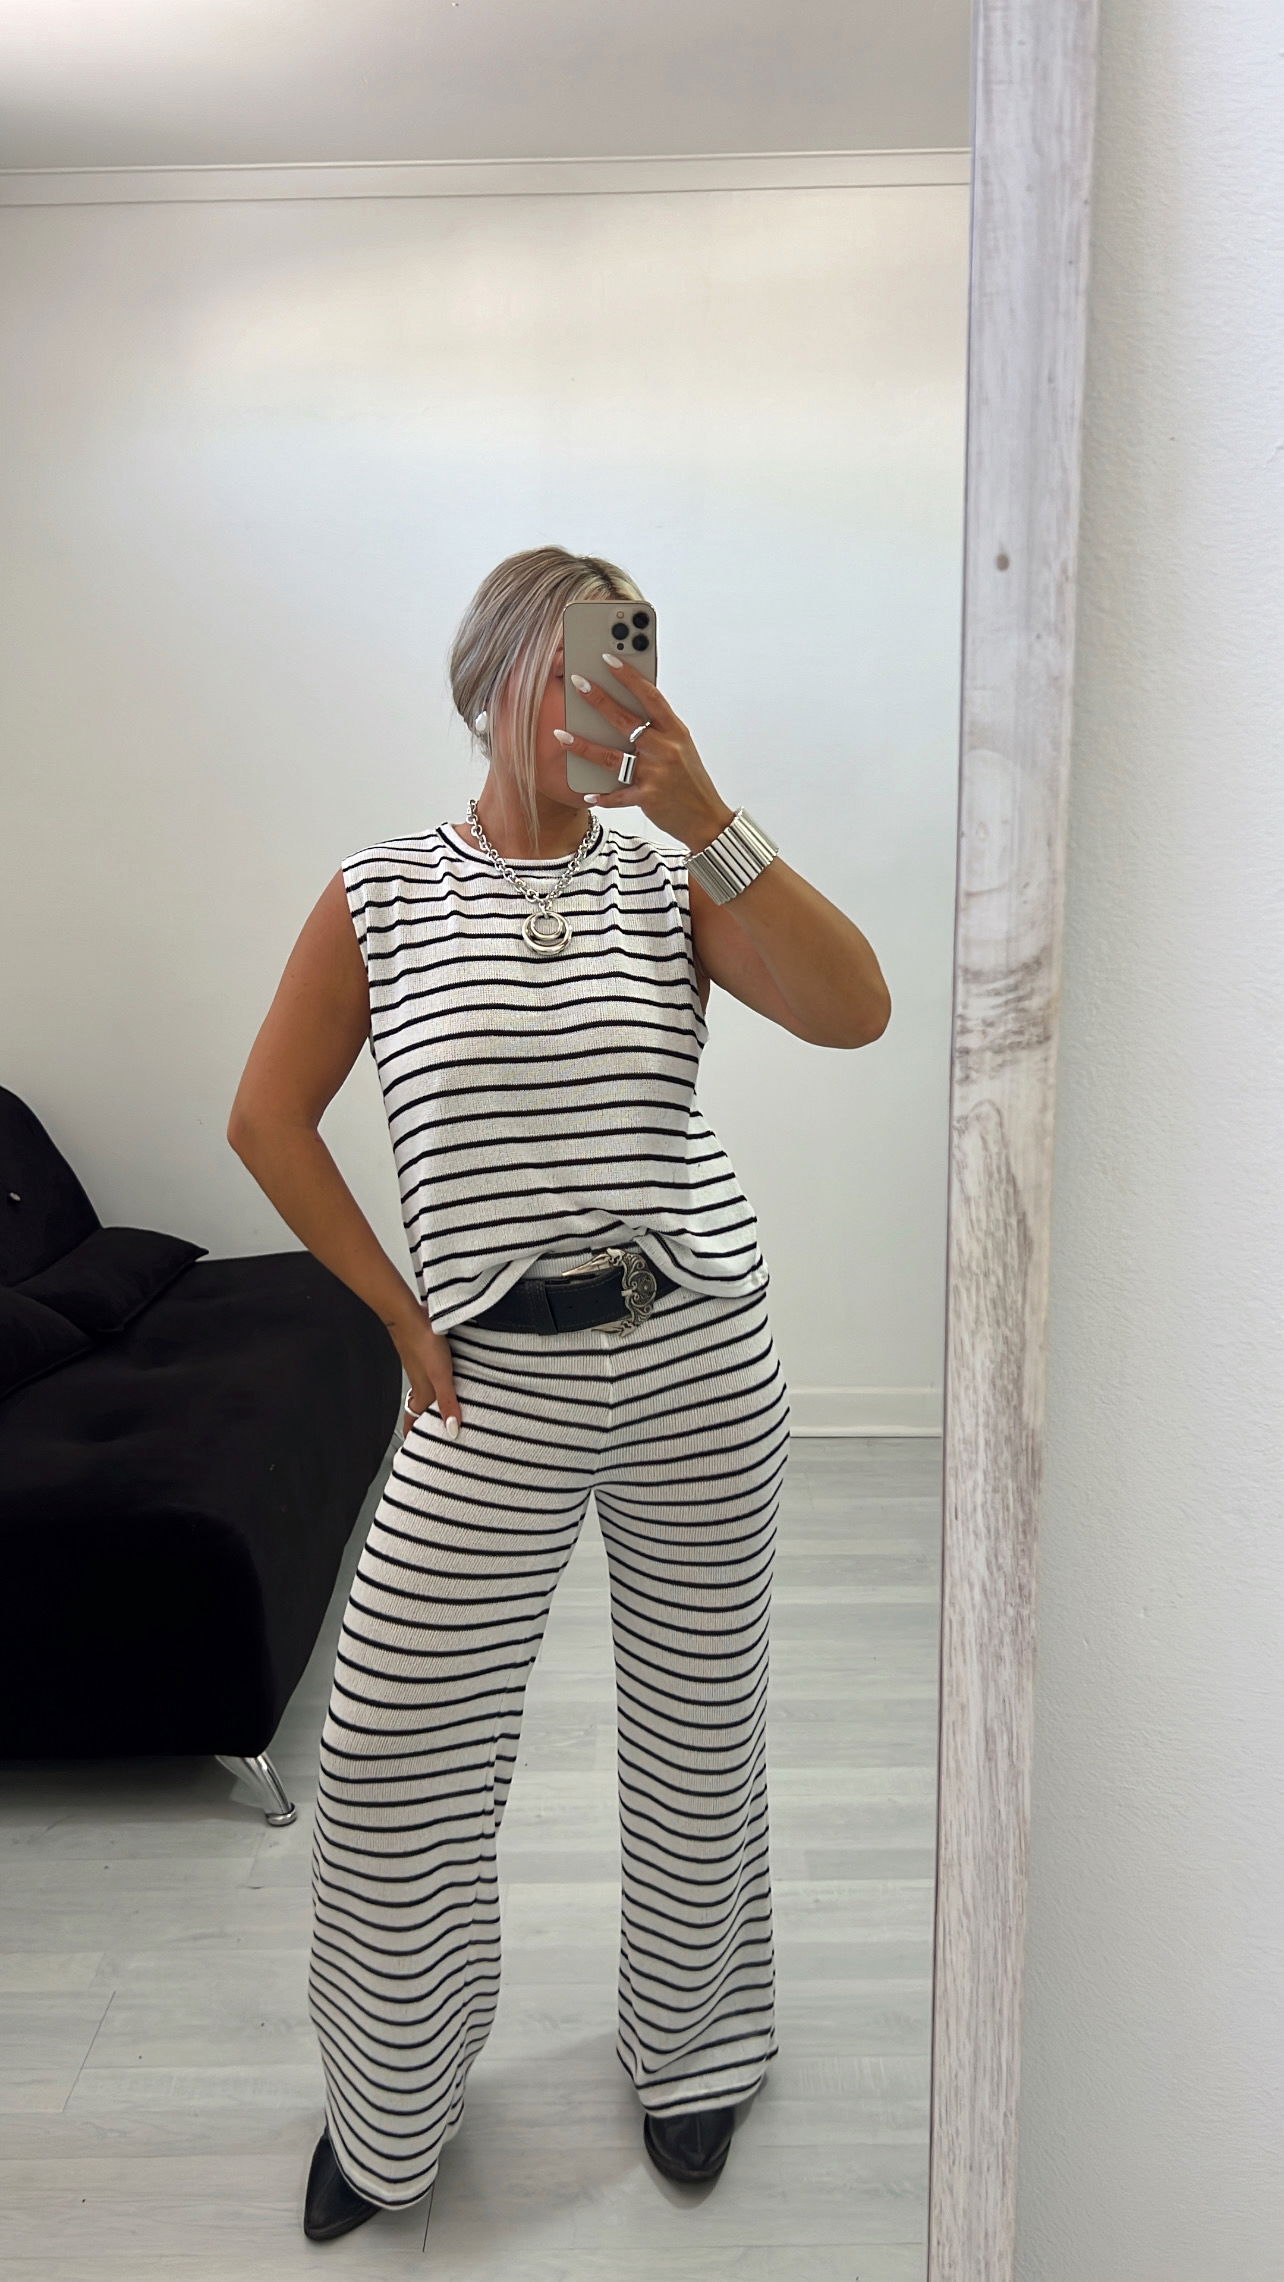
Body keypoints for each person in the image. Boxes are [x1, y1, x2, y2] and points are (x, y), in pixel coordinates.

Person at [226, 545, 891, 2242]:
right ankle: (389, 2111)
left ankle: (698, 2053)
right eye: (571, 660)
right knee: (390, 1748)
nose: (603, 690)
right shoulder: (382, 892)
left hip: (696, 1351)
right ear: (492, 679)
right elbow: (268, 1120)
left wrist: (710, 817)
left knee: (699, 1725)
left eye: (625, 657)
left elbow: (857, 1010)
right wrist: (399, 1317)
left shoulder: (672, 884)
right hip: (490, 1383)